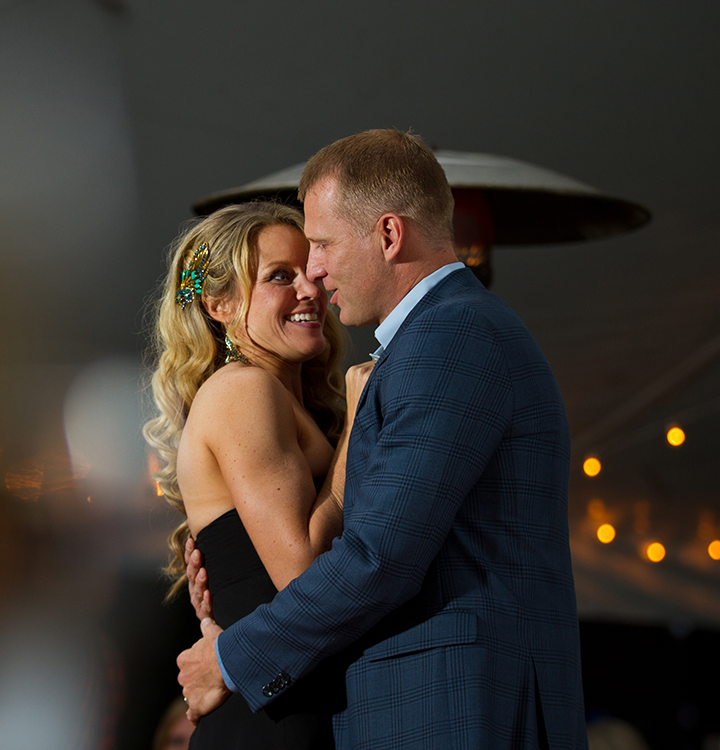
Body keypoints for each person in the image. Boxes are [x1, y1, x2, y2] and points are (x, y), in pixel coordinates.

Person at [177, 129, 587, 749]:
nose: (314, 275)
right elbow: (359, 557)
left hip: (448, 709)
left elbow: (379, 559)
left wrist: (231, 656)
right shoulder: (436, 339)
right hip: (346, 706)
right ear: (221, 304)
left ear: (389, 235)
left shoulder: (447, 338)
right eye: (284, 271)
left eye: (320, 247)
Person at [144, 201, 372, 749]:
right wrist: (356, 434)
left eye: (312, 272)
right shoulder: (242, 390)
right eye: (279, 277)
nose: (310, 290)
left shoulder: (295, 405)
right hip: (271, 722)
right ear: (219, 303)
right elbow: (301, 572)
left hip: (294, 705)